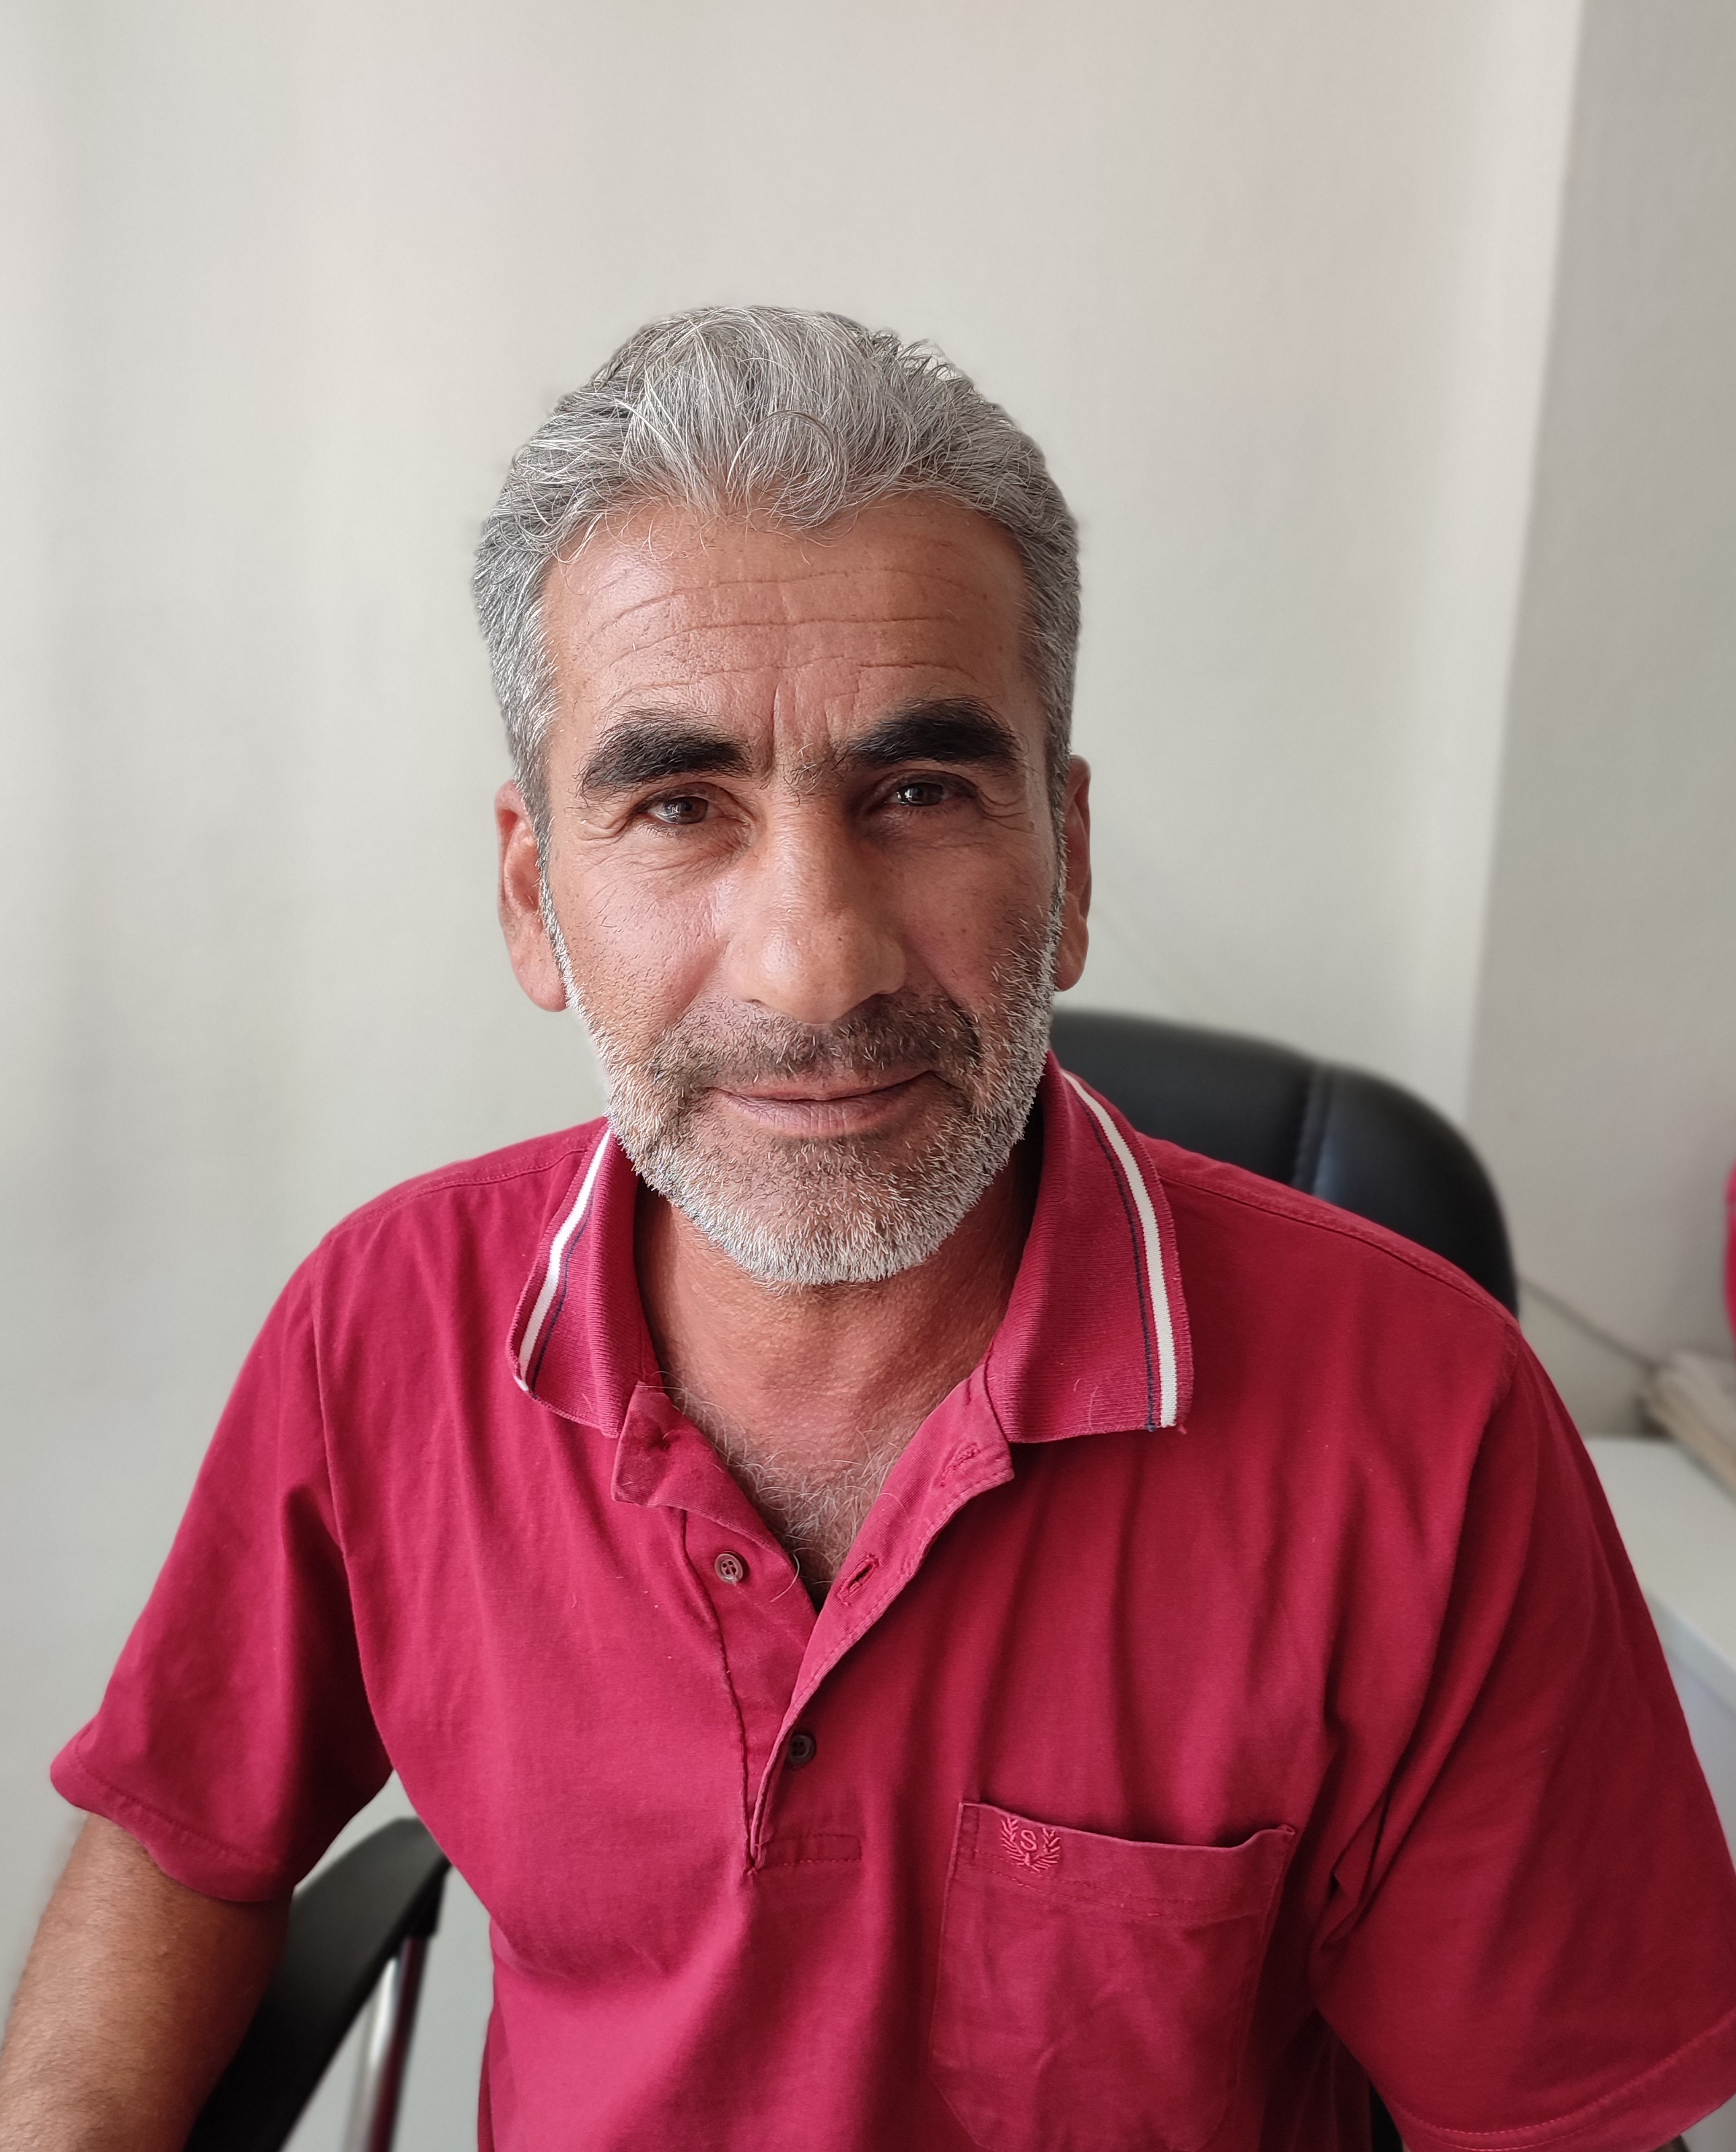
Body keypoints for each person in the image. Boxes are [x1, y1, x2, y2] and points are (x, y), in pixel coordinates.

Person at [1, 306, 1733, 2152]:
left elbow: (1555, 2124)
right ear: (534, 898)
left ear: (1066, 862)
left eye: (917, 793)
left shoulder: (1428, 1423)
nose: (812, 964)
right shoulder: (384, 1325)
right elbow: (177, 1840)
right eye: (679, 805)